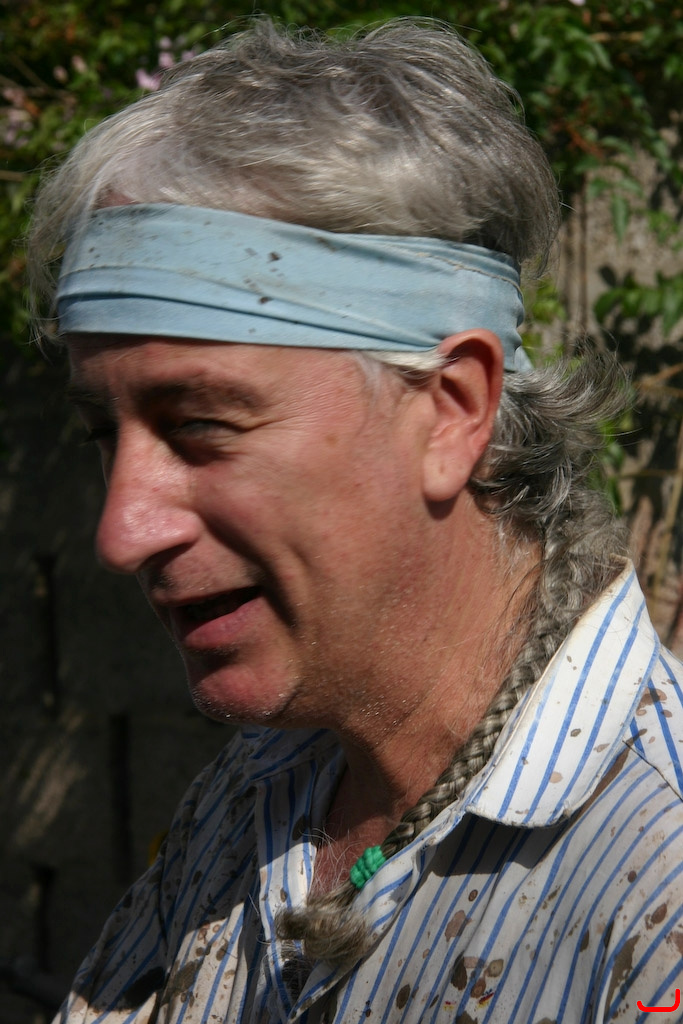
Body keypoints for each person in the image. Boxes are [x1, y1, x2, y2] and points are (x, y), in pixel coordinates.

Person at [28, 17, 683, 1024]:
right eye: (102, 433)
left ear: (450, 410)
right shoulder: (268, 787)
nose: (123, 532)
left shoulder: (652, 888)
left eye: (200, 424)